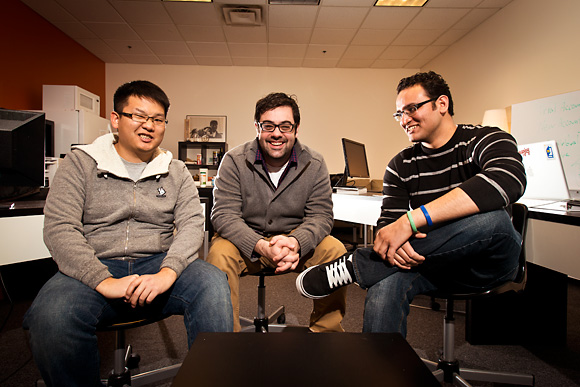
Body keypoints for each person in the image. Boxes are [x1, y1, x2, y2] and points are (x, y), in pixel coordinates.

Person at [23, 80, 233, 386]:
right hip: (94, 265)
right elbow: (60, 228)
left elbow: (191, 224)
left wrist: (168, 272)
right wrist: (103, 281)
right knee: (51, 317)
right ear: (116, 119)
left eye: (158, 119)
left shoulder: (175, 171)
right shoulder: (81, 165)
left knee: (212, 282)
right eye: (138, 116)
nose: (149, 126)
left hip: (157, 262)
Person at [296, 71, 527, 337]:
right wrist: (395, 237)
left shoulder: (485, 139)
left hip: (486, 263)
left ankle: (357, 265)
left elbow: (507, 180)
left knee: (493, 220)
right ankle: (381, 373)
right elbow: (388, 228)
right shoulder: (400, 165)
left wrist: (411, 221)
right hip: (430, 262)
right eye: (399, 114)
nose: (405, 120)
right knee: (384, 281)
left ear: (442, 104)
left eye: (412, 109)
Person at [206, 92, 348, 332]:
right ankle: (226, 341)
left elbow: (321, 216)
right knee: (218, 256)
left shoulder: (315, 163)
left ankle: (326, 336)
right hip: (245, 241)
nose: (277, 134)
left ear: (296, 129)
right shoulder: (233, 160)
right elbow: (224, 215)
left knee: (335, 252)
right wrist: (261, 245)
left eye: (285, 126)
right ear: (257, 127)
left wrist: (296, 241)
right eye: (269, 126)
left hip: (295, 242)